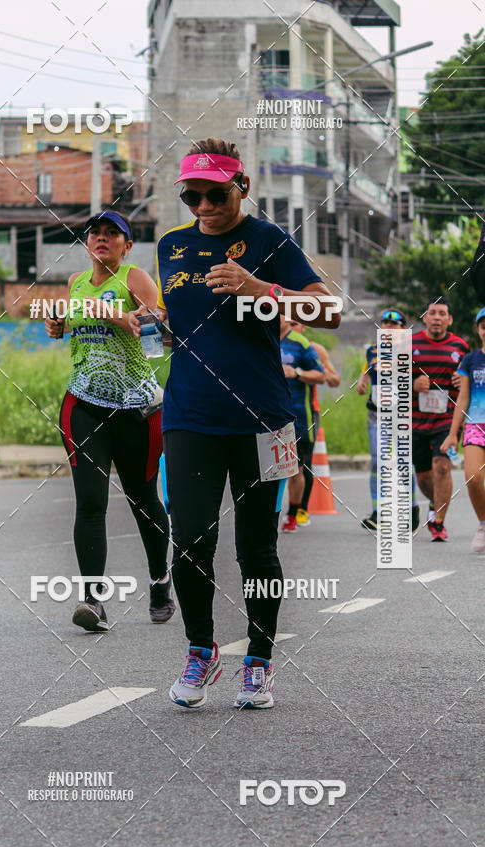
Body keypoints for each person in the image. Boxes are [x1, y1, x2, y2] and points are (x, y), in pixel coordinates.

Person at [155, 137, 340, 710]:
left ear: (243, 188)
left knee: (256, 548)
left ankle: (258, 661)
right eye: (192, 196)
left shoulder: (269, 241)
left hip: (263, 417)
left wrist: (264, 290)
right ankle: (200, 649)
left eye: (215, 194)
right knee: (189, 541)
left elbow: (328, 311)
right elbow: (185, 327)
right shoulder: (171, 247)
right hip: (188, 413)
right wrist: (155, 325)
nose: (204, 206)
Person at [45, 211, 174, 631]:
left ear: (126, 244)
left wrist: (113, 314)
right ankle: (93, 601)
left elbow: (156, 334)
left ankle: (159, 579)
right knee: (90, 501)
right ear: (87, 243)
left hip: (136, 408)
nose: (102, 238)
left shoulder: (136, 279)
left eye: (112, 233)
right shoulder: (75, 284)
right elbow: (74, 327)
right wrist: (60, 324)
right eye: (95, 233)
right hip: (82, 404)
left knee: (143, 499)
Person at [356, 309, 420, 533]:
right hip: (376, 414)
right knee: (378, 461)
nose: (389, 327)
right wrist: (362, 381)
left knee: (403, 462)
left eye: (395, 323)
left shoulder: (412, 349)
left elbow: (421, 378)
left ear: (404, 328)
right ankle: (379, 512)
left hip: (401, 414)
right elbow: (367, 371)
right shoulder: (372, 350)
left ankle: (412, 510)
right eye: (385, 322)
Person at [412, 297, 469, 541]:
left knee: (442, 467)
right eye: (432, 313)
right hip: (415, 420)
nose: (437, 317)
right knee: (424, 476)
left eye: (442, 313)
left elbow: (473, 380)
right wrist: (413, 384)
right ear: (425, 317)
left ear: (449, 319)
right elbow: (393, 381)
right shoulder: (409, 344)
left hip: (447, 418)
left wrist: (464, 380)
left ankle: (438, 522)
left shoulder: (460, 347)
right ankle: (436, 505)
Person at [288, 320, 340, 525]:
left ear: (304, 327)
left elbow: (334, 379)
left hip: (308, 411)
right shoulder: (276, 345)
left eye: (295, 324)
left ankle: (302, 508)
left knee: (303, 463)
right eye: (288, 323)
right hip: (280, 412)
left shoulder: (314, 349)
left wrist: (314, 372)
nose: (292, 328)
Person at [441, 307, 485, 552]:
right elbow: (463, 398)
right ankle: (483, 524)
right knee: (473, 477)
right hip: (475, 424)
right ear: (478, 330)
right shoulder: (470, 360)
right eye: (483, 326)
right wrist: (452, 433)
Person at [278, 318, 325, 533]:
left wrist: (297, 373)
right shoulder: (259, 338)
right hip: (265, 415)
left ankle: (292, 514)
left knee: (295, 470)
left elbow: (321, 375)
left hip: (298, 416)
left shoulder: (300, 343)